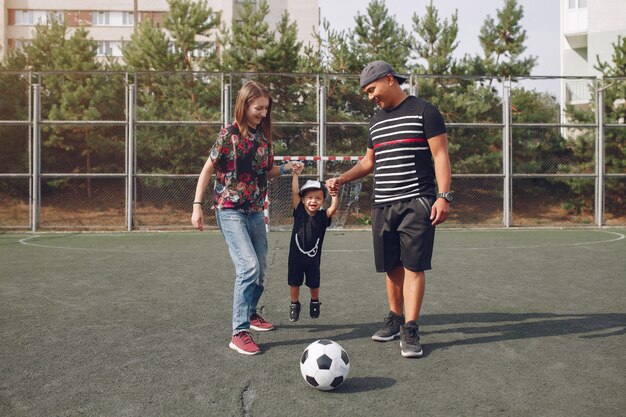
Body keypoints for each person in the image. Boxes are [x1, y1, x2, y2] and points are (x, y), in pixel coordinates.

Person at [326, 60, 452, 358]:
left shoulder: (425, 111)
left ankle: (410, 327)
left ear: (389, 80)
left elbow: (440, 155)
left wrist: (443, 196)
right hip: (382, 204)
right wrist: (342, 179)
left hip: (416, 201)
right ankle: (394, 318)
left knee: (413, 266)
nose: (370, 96)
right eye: (366, 92)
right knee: (391, 266)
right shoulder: (376, 121)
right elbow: (369, 162)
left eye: (372, 89)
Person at [191, 80, 302, 356]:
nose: (263, 113)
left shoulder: (263, 138)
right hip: (229, 210)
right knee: (248, 267)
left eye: (266, 108)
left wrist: (287, 168)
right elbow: (207, 170)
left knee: (261, 270)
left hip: (254, 211)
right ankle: (239, 332)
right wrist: (196, 205)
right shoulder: (228, 135)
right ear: (244, 105)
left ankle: (252, 314)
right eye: (258, 108)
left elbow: (265, 171)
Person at [287, 167, 339, 322]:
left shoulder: (323, 216)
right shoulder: (299, 212)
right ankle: (294, 304)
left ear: (323, 201)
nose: (313, 201)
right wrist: (296, 175)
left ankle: (314, 301)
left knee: (314, 284)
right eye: (309, 197)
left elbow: (334, 208)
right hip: (295, 259)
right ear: (303, 200)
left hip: (313, 261)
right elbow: (295, 192)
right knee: (294, 283)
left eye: (318, 198)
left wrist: (334, 194)